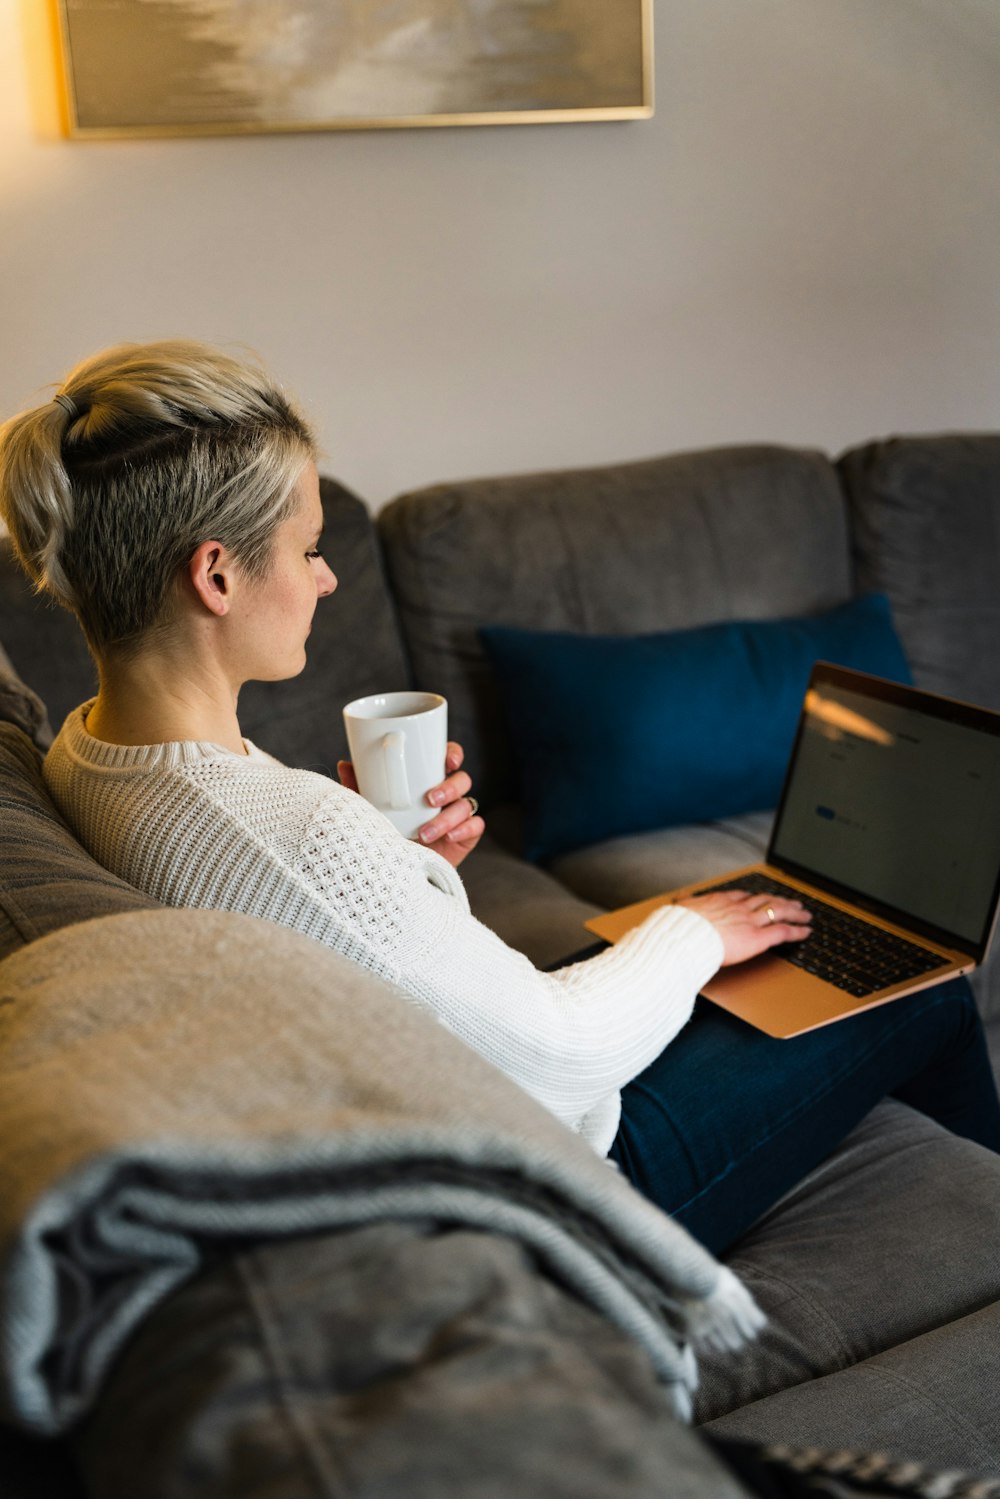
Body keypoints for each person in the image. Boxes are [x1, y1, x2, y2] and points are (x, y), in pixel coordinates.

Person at [1, 339, 997, 1258]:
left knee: (760, 955)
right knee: (917, 980)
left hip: (453, 1083)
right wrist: (691, 932)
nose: (328, 576)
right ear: (216, 574)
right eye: (307, 548)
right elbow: (563, 1055)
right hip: (577, 1174)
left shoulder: (88, 748)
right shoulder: (293, 829)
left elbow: (321, 932)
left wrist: (405, 858)